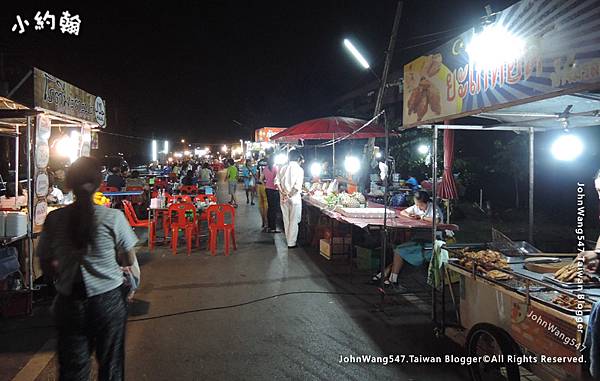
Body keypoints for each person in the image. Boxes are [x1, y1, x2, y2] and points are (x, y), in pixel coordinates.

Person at [37, 157, 138, 380]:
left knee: (73, 370)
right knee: (111, 366)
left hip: (69, 301)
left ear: (69, 183)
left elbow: (45, 261)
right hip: (108, 300)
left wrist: (63, 273)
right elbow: (128, 259)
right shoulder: (113, 217)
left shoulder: (54, 219)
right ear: (99, 183)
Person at [373, 190, 442, 287]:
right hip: (418, 240)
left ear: (426, 202)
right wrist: (410, 215)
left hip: (431, 241)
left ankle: (389, 277)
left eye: (420, 205)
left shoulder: (434, 208)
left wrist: (421, 217)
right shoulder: (416, 207)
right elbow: (403, 212)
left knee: (399, 251)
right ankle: (390, 277)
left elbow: (437, 220)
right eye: (416, 204)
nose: (417, 207)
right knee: (399, 250)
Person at [275, 150, 304, 248]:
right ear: (298, 159)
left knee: (286, 219)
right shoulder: (299, 170)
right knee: (294, 220)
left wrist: (283, 193)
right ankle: (291, 243)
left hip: (283, 198)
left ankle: (289, 240)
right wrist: (288, 195)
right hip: (294, 198)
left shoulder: (282, 168)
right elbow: (297, 187)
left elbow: (277, 181)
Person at [263, 156, 280, 233]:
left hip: (267, 189)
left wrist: (266, 183)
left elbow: (262, 178)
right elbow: (277, 179)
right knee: (274, 209)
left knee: (270, 208)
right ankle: (273, 227)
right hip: (274, 190)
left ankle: (269, 226)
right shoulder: (275, 168)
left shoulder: (265, 168)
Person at [256, 158, 269, 231]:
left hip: (259, 185)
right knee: (266, 204)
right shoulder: (270, 162)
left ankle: (263, 221)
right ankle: (267, 223)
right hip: (266, 185)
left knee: (261, 204)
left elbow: (257, 174)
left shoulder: (260, 161)